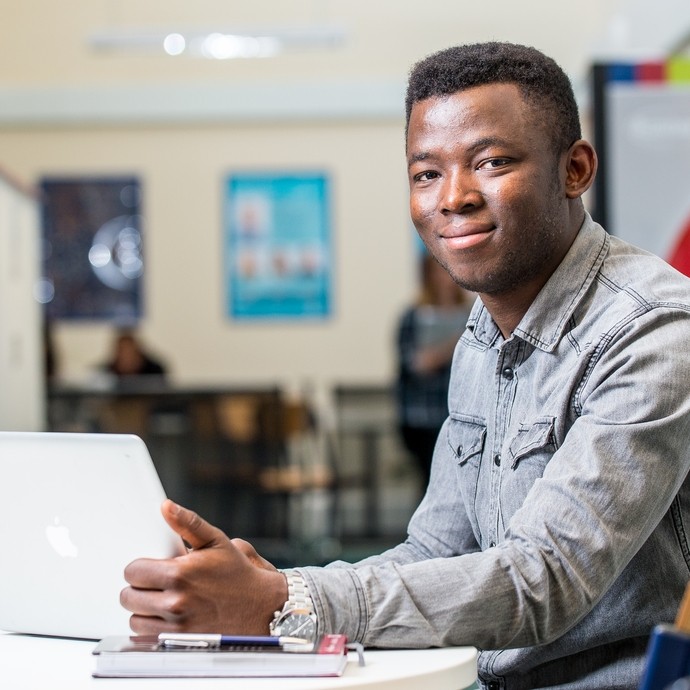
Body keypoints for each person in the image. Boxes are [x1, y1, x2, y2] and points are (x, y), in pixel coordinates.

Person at [120, 42, 690, 689]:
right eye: (426, 173)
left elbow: (546, 579)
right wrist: (277, 588)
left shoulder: (653, 330)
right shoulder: (483, 330)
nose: (454, 197)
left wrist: (283, 604)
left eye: (492, 162)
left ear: (575, 169)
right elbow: (437, 548)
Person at [396, 252, 473, 487]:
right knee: (431, 483)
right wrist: (450, 347)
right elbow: (414, 364)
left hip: (461, 411)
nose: (445, 279)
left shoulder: (473, 314)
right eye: (439, 272)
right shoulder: (413, 317)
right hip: (423, 416)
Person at [103, 329, 167, 379]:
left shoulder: (154, 372)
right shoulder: (106, 372)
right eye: (123, 353)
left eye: (129, 353)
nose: (126, 357)